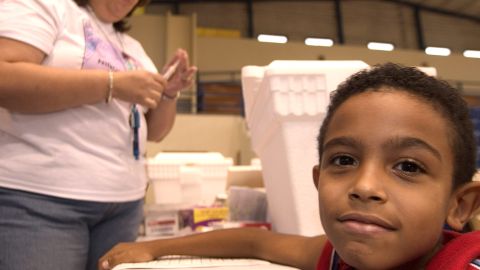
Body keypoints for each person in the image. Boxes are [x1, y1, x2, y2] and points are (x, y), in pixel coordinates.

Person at [99, 63, 480, 270]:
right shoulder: (336, 257)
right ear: (318, 180)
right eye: (343, 160)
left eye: (409, 167)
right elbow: (256, 241)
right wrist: (156, 249)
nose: (364, 186)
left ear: (460, 205)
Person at [0, 0, 196, 269]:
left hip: (123, 206)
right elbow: (5, 77)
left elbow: (155, 131)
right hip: (42, 199)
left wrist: (169, 94)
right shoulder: (48, 7)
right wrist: (112, 84)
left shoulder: (132, 47)